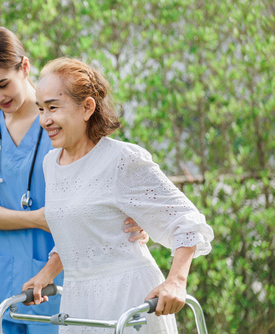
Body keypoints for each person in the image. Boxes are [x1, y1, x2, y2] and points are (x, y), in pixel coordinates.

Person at [0, 27, 149, 334]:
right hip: (2, 284)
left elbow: (108, 178)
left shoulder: (62, 121)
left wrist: (137, 216)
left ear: (25, 67)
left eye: (3, 84)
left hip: (62, 284)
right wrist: (37, 218)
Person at [22, 57, 214, 333]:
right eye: (40, 109)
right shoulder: (50, 164)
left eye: (53, 107)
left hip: (129, 297)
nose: (44, 120)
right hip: (78, 303)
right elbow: (77, 234)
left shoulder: (120, 160)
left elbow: (185, 219)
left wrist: (176, 281)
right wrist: (47, 273)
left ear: (87, 107)